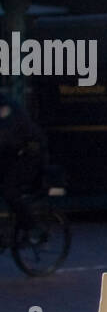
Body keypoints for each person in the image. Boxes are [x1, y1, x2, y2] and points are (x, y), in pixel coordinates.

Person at [0, 92, 48, 222]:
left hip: (31, 156)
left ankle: (31, 225)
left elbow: (7, 134)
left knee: (9, 190)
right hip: (15, 153)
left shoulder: (7, 107)